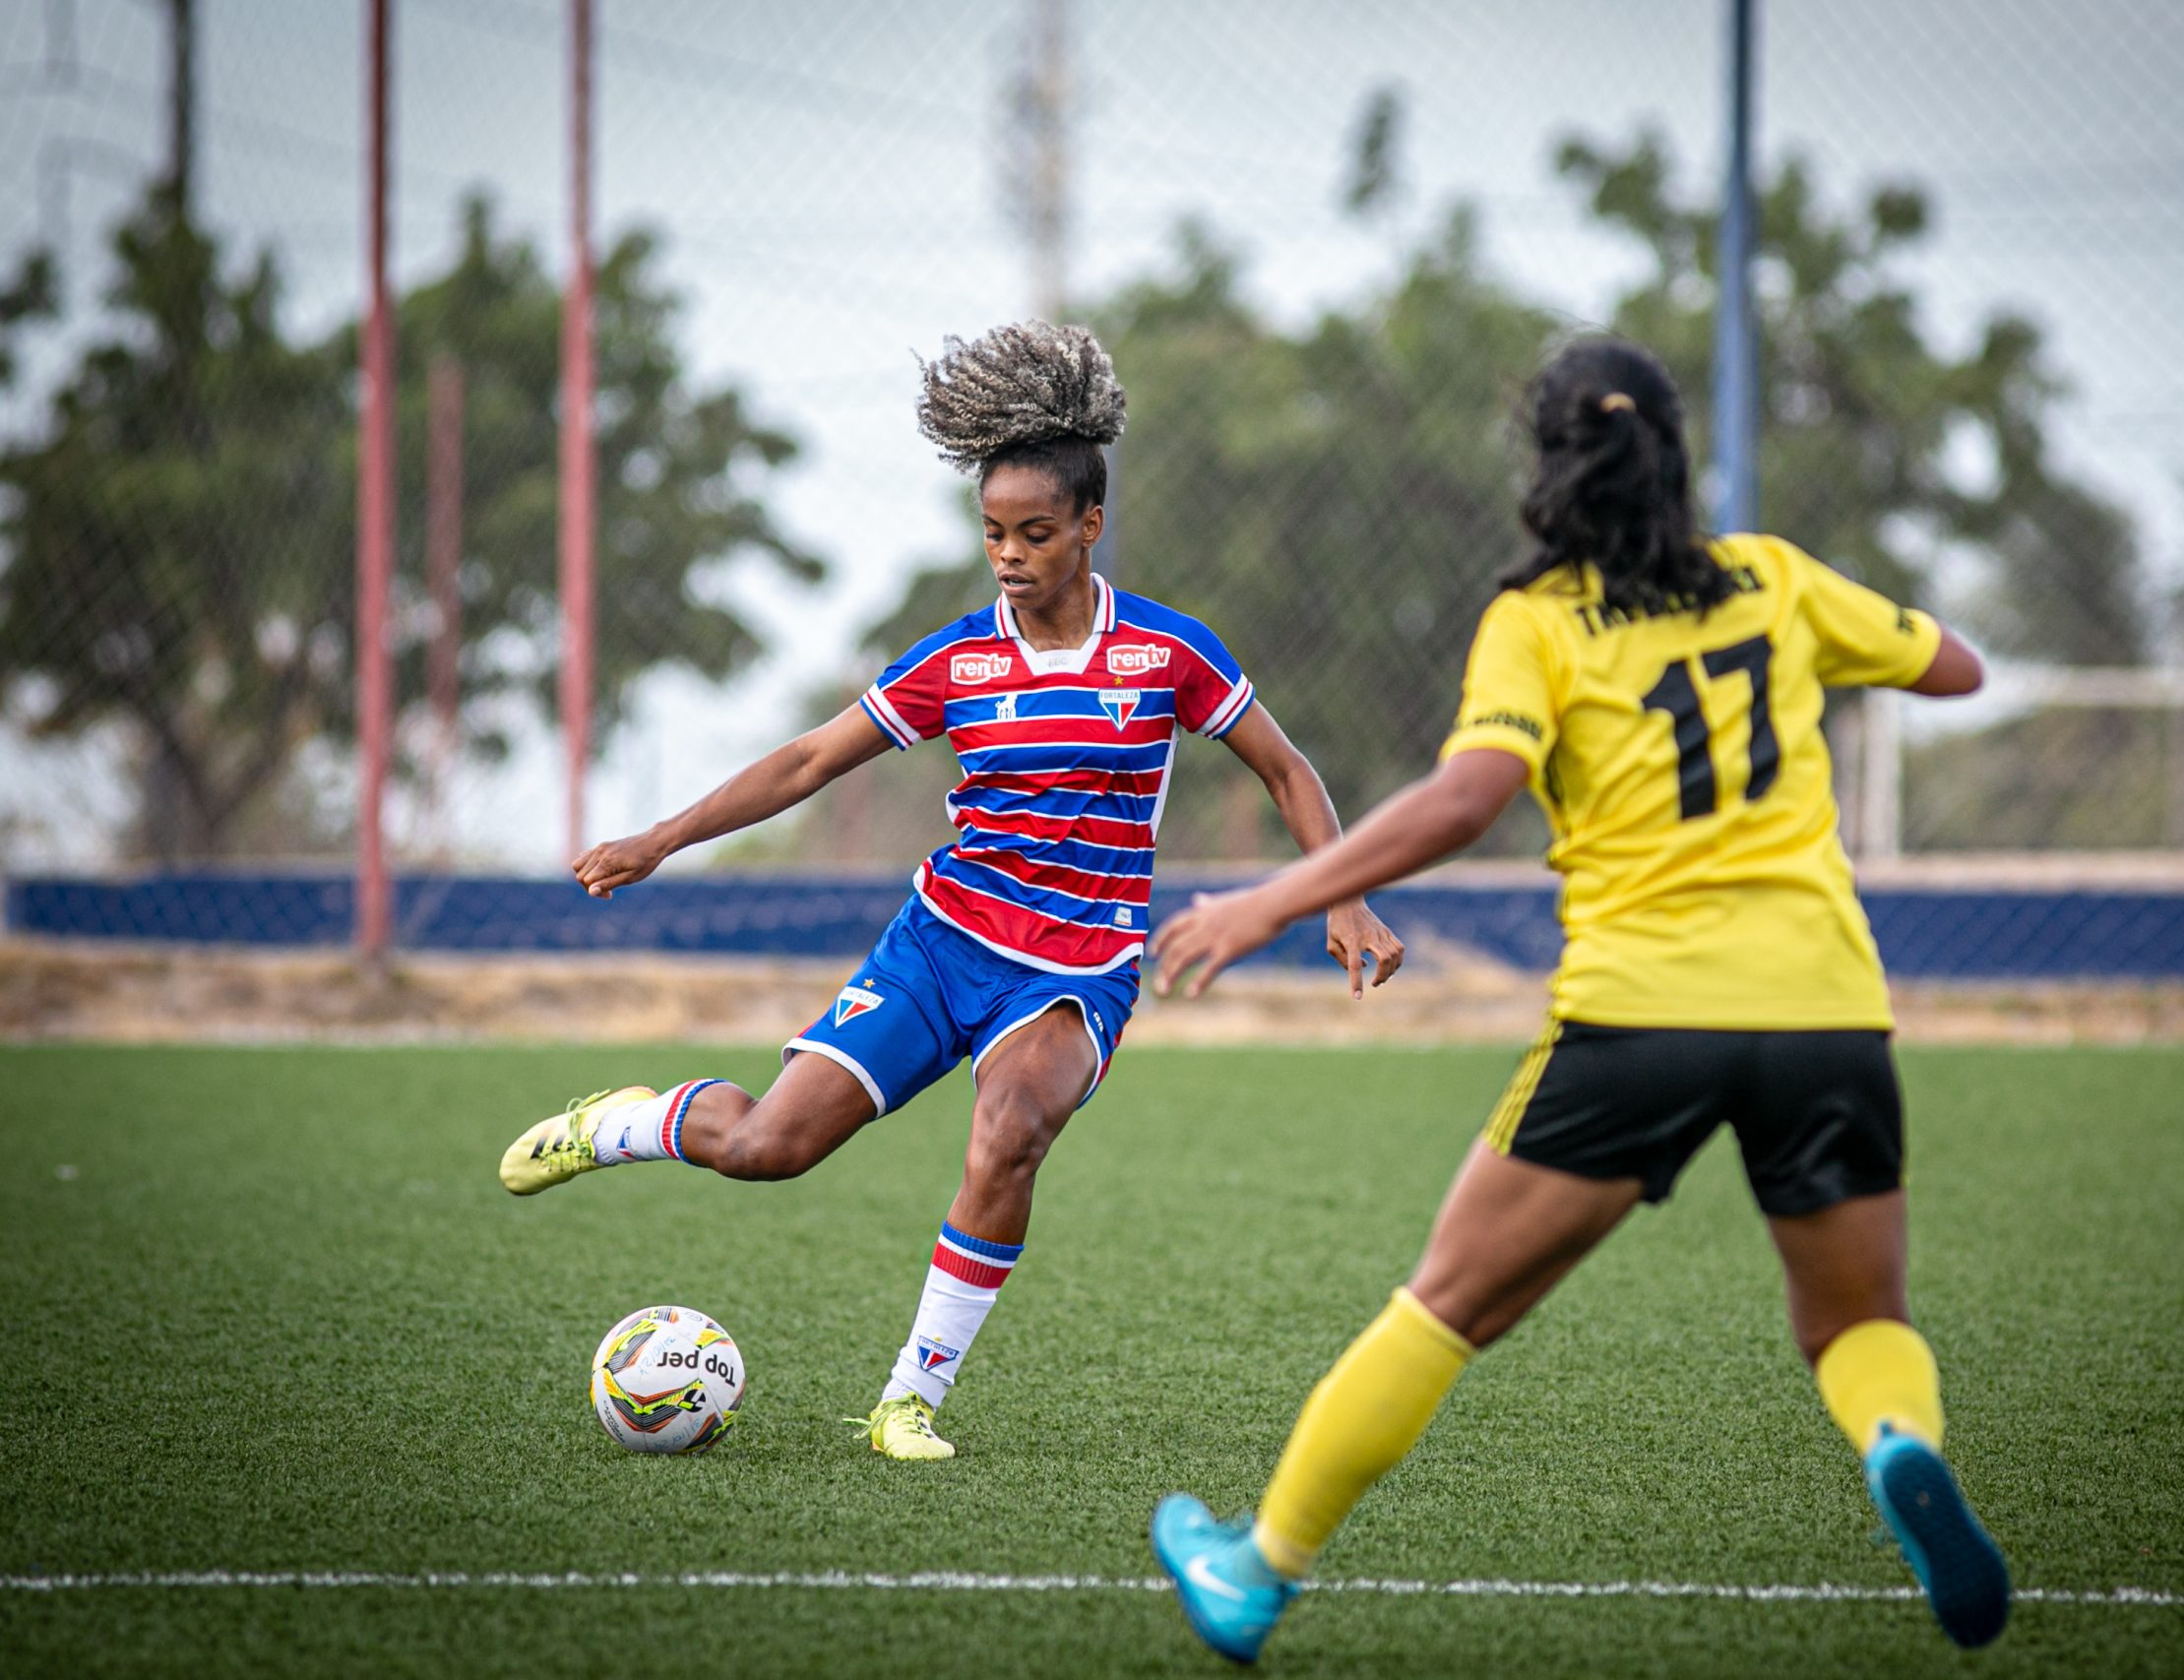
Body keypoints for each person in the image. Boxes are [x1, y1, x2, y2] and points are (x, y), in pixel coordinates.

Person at [1144, 337, 2007, 1658]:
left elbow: (1465, 795)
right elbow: (1957, 669)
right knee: (1858, 1324)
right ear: (1675, 459)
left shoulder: (1536, 620)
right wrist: (1820, 643)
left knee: (1445, 1304)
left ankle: (1256, 1568)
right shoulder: (1775, 579)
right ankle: (1898, 1441)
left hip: (1641, 1017)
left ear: (1547, 471)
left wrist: (1273, 896)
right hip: (1826, 1006)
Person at [498, 322, 1404, 1462]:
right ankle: (624, 1122)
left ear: (1090, 525)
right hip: (939, 947)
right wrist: (661, 838)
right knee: (767, 1150)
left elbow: (1284, 766)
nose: (1010, 555)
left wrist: (1344, 894)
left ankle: (906, 1401)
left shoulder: (1167, 655)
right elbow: (807, 761)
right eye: (991, 534)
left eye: (1034, 532)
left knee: (1014, 1129)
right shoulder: (956, 663)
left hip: (1078, 969)